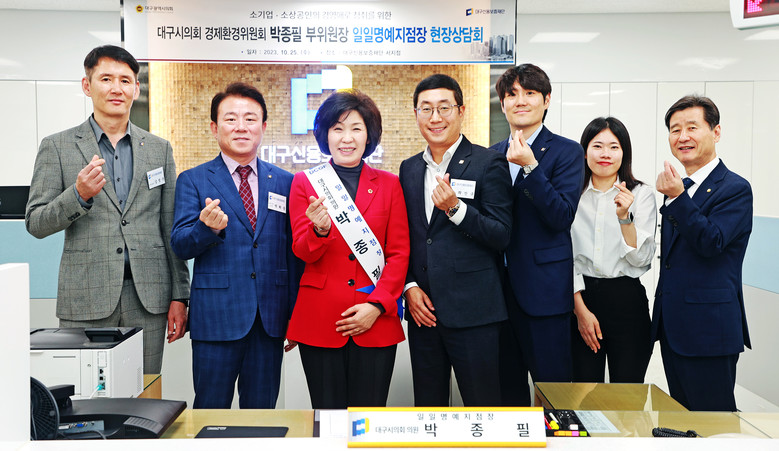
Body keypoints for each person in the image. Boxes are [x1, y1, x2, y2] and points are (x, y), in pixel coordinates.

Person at [25, 45, 190, 374]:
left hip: (149, 299)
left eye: (125, 81)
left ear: (136, 89)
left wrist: (180, 295)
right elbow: (36, 222)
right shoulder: (57, 147)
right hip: (85, 296)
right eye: (106, 79)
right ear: (87, 86)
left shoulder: (159, 149)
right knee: (86, 393)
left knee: (144, 390)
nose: (117, 88)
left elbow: (169, 225)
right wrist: (78, 195)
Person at [170, 82, 299, 409]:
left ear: (263, 127)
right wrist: (206, 229)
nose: (241, 127)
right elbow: (180, 245)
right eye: (230, 119)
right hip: (216, 319)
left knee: (262, 415)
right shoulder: (193, 180)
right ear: (215, 128)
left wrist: (295, 316)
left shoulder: (285, 181)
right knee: (210, 412)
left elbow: (292, 255)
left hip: (269, 320)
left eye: (250, 119)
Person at [287, 89, 409, 409]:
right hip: (321, 318)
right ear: (325, 135)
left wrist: (377, 306)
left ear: (369, 135)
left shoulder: (389, 184)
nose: (347, 138)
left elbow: (399, 253)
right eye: (337, 128)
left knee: (368, 419)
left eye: (356, 128)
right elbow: (303, 252)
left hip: (376, 318)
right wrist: (320, 230)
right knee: (327, 417)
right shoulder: (305, 182)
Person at [399, 74, 513, 407]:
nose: (435, 117)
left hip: (474, 312)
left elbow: (502, 235)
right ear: (416, 114)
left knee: (483, 407)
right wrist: (409, 286)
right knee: (428, 409)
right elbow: (407, 237)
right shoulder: (408, 169)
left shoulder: (488, 162)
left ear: (461, 110)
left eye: (444, 107)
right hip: (423, 311)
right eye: (426, 109)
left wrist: (456, 209)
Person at [489, 63, 584, 406]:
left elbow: (561, 216)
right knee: (506, 393)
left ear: (546, 100)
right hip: (496, 294)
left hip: (544, 292)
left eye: (530, 93)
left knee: (553, 393)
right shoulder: (491, 155)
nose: (520, 101)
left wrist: (530, 166)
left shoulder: (567, 151)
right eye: (512, 94)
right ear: (503, 103)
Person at [652, 95, 752, 411]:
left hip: (709, 331)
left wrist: (678, 198)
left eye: (692, 127)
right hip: (674, 328)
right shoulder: (679, 187)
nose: (683, 136)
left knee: (714, 422)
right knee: (682, 421)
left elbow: (712, 242)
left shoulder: (734, 188)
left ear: (716, 132)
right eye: (675, 129)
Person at [571, 117, 656, 383]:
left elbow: (641, 259)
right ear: (585, 152)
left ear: (624, 153)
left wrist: (624, 217)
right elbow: (562, 256)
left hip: (626, 300)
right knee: (583, 392)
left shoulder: (641, 194)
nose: (605, 154)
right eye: (597, 146)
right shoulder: (571, 194)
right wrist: (579, 310)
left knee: (628, 393)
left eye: (614, 147)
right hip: (580, 298)